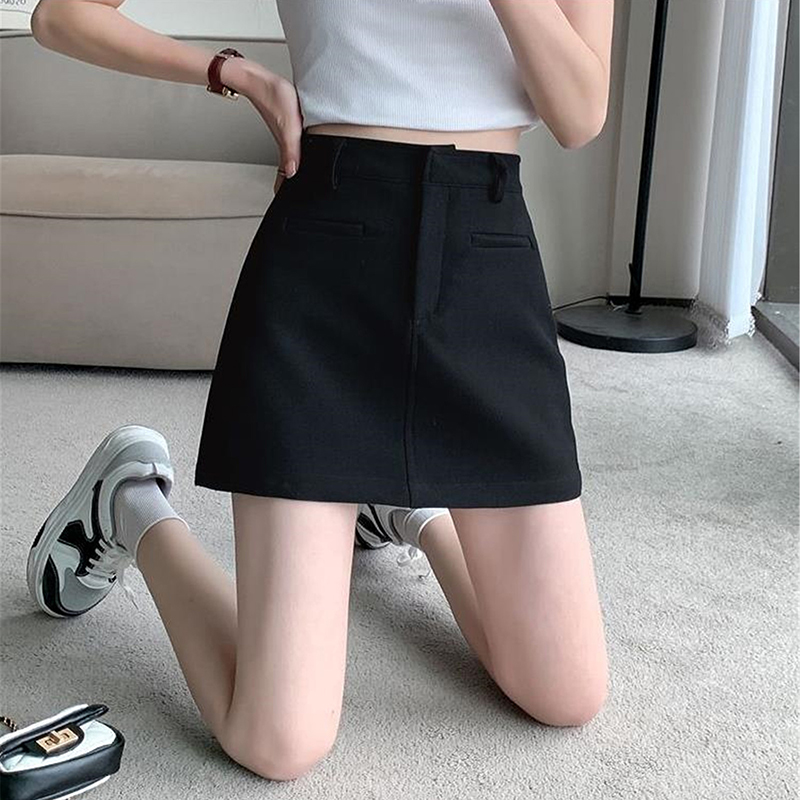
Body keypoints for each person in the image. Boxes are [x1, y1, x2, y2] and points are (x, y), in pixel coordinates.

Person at [26, 0, 613, 783]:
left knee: (566, 693)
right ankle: (130, 502)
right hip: (327, 257)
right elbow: (61, 17)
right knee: (278, 742)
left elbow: (579, 114)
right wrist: (232, 73)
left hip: (487, 261)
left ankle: (406, 514)